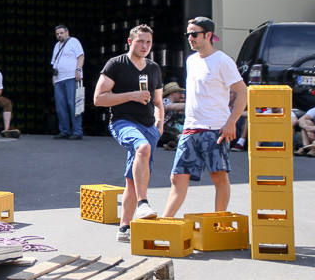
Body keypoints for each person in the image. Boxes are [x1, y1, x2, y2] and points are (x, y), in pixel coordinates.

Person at [161, 17, 247, 218]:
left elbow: (242, 92)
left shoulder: (223, 61)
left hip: (215, 128)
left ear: (208, 35)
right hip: (191, 128)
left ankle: (219, 221)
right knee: (177, 177)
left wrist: (231, 122)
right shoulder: (191, 61)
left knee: (218, 176)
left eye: (194, 34)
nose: (190, 38)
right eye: (188, 34)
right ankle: (165, 222)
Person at [93, 24, 164, 243]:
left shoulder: (153, 69)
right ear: (130, 41)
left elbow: (159, 102)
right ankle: (143, 204)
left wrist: (160, 125)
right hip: (123, 122)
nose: (145, 46)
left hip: (148, 126)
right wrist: (131, 95)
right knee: (142, 147)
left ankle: (124, 228)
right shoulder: (116, 64)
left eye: (149, 42)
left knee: (133, 180)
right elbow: (99, 98)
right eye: (140, 41)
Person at [51, 24, 85, 140]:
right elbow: (55, 63)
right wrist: (54, 77)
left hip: (71, 77)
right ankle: (64, 131)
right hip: (59, 79)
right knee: (61, 106)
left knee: (73, 104)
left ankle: (77, 131)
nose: (59, 35)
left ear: (67, 33)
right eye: (57, 34)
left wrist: (78, 70)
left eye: (61, 33)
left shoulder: (74, 41)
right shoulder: (57, 45)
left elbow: (81, 56)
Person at [159, 82, 186, 150]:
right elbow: (170, 107)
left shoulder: (175, 104)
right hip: (159, 130)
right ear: (172, 93)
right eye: (179, 93)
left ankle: (173, 143)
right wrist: (191, 105)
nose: (180, 95)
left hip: (167, 130)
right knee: (172, 133)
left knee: (175, 131)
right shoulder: (164, 101)